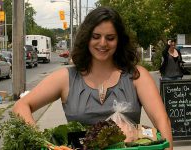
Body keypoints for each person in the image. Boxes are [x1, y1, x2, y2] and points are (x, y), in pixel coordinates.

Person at [13, 6, 173, 149]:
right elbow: (21, 106)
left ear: (119, 41)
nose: (102, 43)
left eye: (110, 38)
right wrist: (42, 143)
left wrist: (168, 147)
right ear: (86, 37)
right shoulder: (66, 78)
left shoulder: (137, 76)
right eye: (96, 36)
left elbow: (161, 119)